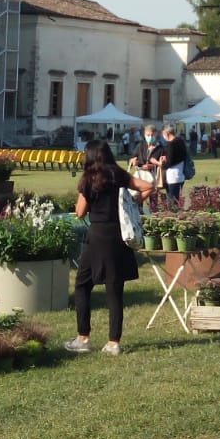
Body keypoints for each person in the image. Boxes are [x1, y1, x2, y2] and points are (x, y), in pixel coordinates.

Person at [66, 141, 155, 354]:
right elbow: (148, 186)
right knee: (115, 290)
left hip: (97, 235)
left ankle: (83, 337)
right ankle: (114, 342)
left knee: (82, 284)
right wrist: (134, 203)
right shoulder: (118, 174)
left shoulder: (88, 178)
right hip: (118, 235)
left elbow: (79, 212)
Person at [159, 126, 190, 206]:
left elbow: (169, 162)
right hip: (181, 174)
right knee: (177, 198)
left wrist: (162, 164)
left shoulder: (171, 144)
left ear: (167, 134)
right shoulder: (180, 141)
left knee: (172, 201)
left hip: (173, 176)